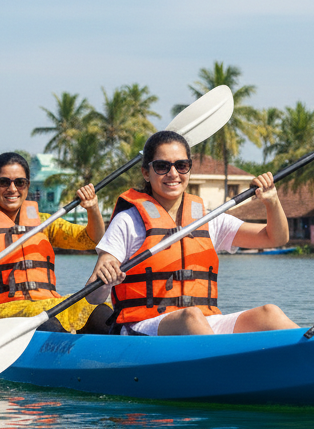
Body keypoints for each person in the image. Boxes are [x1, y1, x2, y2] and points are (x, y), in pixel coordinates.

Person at [90, 130, 300, 336]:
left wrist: (272, 202)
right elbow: (94, 296)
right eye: (162, 166)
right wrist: (106, 278)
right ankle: (223, 365)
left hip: (203, 321)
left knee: (269, 313)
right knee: (190, 317)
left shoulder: (208, 219)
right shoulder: (128, 221)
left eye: (181, 166)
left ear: (189, 169)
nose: (173, 174)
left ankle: (313, 352)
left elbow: (275, 237)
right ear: (146, 172)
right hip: (143, 326)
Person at [0, 152, 113, 333]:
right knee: (49, 324)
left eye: (19, 182)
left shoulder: (45, 222)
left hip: (49, 305)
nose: (12, 188)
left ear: (27, 186)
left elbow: (92, 239)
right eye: (3, 182)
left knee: (101, 312)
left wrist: (93, 208)